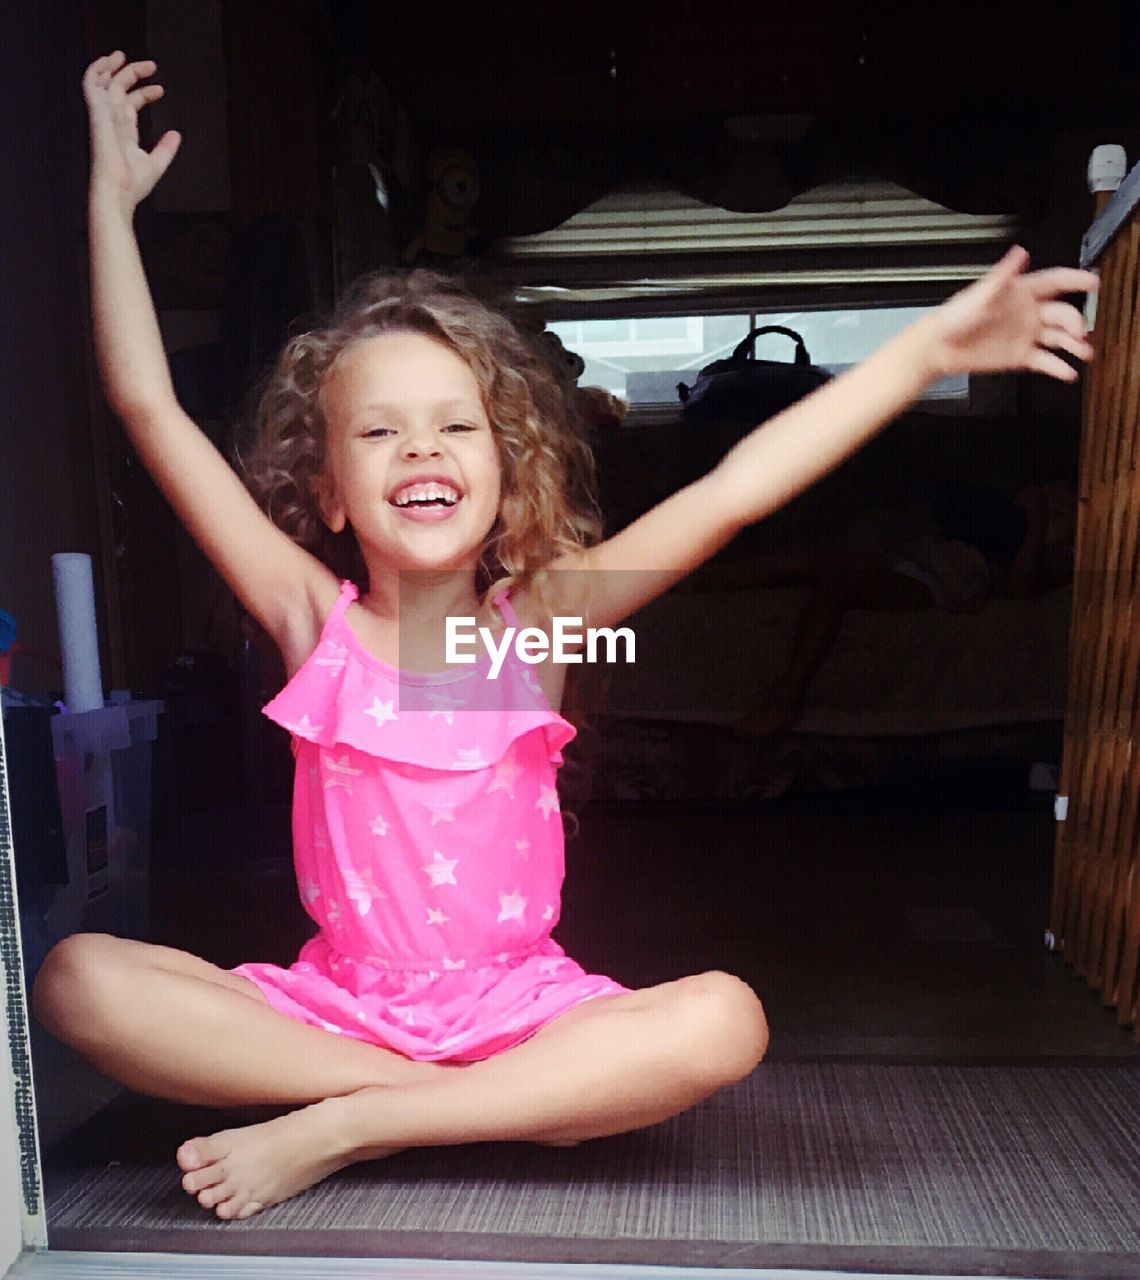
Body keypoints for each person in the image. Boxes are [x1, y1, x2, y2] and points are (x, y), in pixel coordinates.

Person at [32, 51, 1096, 1223]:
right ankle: (451, 1100)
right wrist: (108, 203)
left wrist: (927, 352)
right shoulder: (306, 620)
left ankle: (360, 1120)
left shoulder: (538, 624)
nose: (422, 450)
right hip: (335, 1012)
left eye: (456, 427)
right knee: (80, 979)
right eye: (379, 432)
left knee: (724, 1016)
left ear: (506, 470)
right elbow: (147, 408)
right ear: (329, 491)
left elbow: (738, 487)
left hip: (520, 1014)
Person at [701, 480, 1079, 740]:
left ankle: (785, 699)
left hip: (932, 582)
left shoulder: (1055, 559)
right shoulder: (999, 521)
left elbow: (1020, 588)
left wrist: (1036, 526)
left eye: (1058, 514)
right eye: (1043, 497)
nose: (1042, 510)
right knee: (801, 560)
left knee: (834, 586)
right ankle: (679, 581)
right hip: (907, 554)